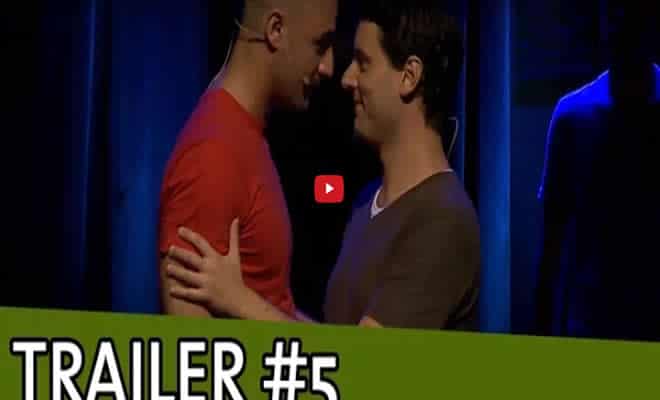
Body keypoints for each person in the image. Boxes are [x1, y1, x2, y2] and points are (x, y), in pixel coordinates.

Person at [165, 0, 480, 330]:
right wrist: (243, 297)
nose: (345, 77)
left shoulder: (442, 220)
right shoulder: (368, 202)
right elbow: (336, 339)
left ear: (409, 77)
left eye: (363, 64)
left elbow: (365, 358)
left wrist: (239, 300)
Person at [158, 0, 337, 319]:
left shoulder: (244, 135)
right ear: (275, 30)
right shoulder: (213, 154)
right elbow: (189, 344)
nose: (328, 67)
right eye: (320, 45)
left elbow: (276, 303)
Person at [535, 2, 660, 340]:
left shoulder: (574, 113)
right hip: (593, 319)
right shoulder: (573, 115)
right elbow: (551, 237)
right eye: (616, 15)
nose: (623, 26)